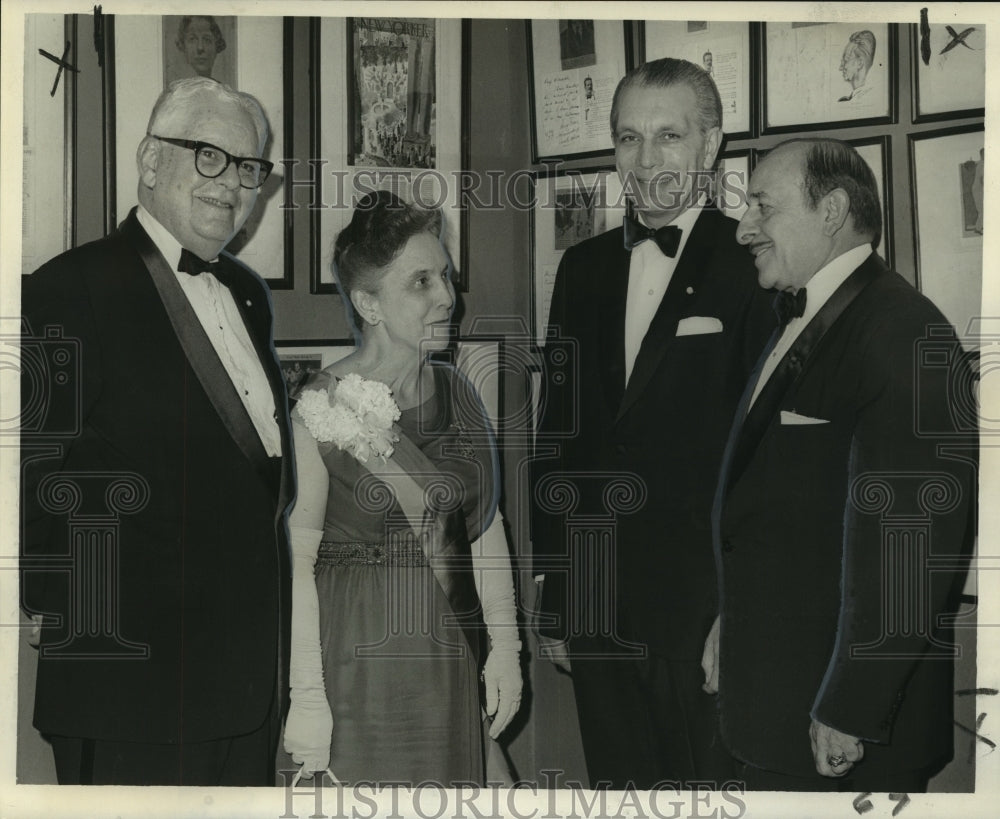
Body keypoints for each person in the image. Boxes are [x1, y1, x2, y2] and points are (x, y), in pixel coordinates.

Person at [20, 77, 294, 785]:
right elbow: (31, 478)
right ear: (148, 160)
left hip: (247, 692)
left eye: (248, 167)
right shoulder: (67, 287)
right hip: (130, 697)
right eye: (208, 155)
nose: (231, 183)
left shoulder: (245, 295)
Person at [703, 138, 976, 791]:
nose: (744, 229)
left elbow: (912, 545)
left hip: (841, 730)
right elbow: (776, 509)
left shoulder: (905, 331)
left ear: (830, 211)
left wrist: (850, 709)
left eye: (763, 208)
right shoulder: (797, 314)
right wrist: (731, 624)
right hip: (778, 701)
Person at [531, 57, 772, 789]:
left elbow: (770, 461)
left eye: (669, 136)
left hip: (702, 615)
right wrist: (558, 593)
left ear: (711, 146)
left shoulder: (755, 264)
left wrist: (741, 611)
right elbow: (560, 437)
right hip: (599, 607)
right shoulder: (582, 269)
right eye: (628, 138)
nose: (647, 160)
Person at [282, 191, 523, 786]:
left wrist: (507, 648)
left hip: (449, 655)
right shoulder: (319, 407)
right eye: (421, 282)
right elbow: (298, 564)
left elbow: (485, 528)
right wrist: (307, 692)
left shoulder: (460, 393)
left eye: (446, 276)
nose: (448, 296)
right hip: (362, 659)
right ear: (368, 302)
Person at [838, 30, 876, 102]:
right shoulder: (848, 100)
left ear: (860, 63)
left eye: (846, 60)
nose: (840, 67)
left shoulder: (866, 100)